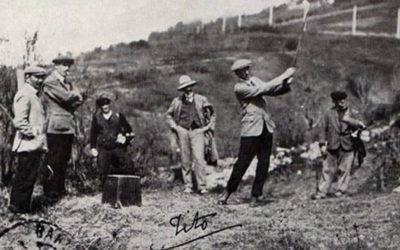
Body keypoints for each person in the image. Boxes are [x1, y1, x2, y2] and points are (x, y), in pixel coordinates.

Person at [218, 59, 296, 206]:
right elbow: (265, 88)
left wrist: (285, 84)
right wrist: (284, 74)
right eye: (243, 71)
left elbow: (272, 91)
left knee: (264, 163)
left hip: (266, 126)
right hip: (251, 130)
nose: (247, 72)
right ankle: (227, 192)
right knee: (242, 163)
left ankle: (255, 196)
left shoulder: (255, 80)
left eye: (247, 69)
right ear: (237, 73)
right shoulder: (239, 87)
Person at [42, 55, 83, 201]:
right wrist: (75, 94)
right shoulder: (51, 81)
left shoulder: (66, 83)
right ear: (56, 66)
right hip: (56, 126)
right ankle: (50, 191)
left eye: (69, 65)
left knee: (63, 159)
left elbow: (76, 101)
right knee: (54, 159)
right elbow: (66, 97)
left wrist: (75, 96)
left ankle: (59, 189)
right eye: (64, 65)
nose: (68, 69)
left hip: (67, 126)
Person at [166, 75, 216, 194]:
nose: (187, 89)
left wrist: (208, 127)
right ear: (182, 89)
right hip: (183, 130)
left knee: (199, 158)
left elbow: (212, 114)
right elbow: (168, 115)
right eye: (185, 88)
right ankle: (188, 185)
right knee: (185, 159)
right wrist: (175, 127)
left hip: (197, 131)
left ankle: (202, 186)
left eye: (189, 87)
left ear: (192, 86)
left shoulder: (201, 99)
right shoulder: (177, 101)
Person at [312, 91, 366, 199]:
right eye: (337, 101)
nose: (340, 103)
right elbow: (323, 129)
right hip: (332, 144)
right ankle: (322, 192)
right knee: (327, 169)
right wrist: (322, 144)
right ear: (333, 102)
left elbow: (362, 125)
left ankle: (341, 191)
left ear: (345, 100)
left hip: (348, 143)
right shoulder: (328, 113)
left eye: (342, 100)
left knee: (345, 169)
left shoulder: (353, 112)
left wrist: (348, 120)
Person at [9, 66, 48, 214]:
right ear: (27, 77)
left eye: (41, 77)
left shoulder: (34, 95)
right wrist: (33, 134)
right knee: (24, 179)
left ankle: (22, 210)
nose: (40, 80)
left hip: (33, 145)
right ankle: (18, 211)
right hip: (27, 144)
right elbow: (19, 121)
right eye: (36, 77)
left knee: (28, 179)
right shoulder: (25, 94)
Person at [89, 93, 135, 188]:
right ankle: (105, 192)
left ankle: (128, 189)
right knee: (103, 169)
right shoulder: (96, 118)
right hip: (104, 147)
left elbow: (128, 129)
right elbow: (93, 133)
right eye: (102, 105)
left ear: (109, 104)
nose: (105, 106)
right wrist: (93, 147)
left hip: (117, 146)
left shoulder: (118, 115)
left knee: (128, 164)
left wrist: (124, 137)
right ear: (100, 106)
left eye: (106, 104)